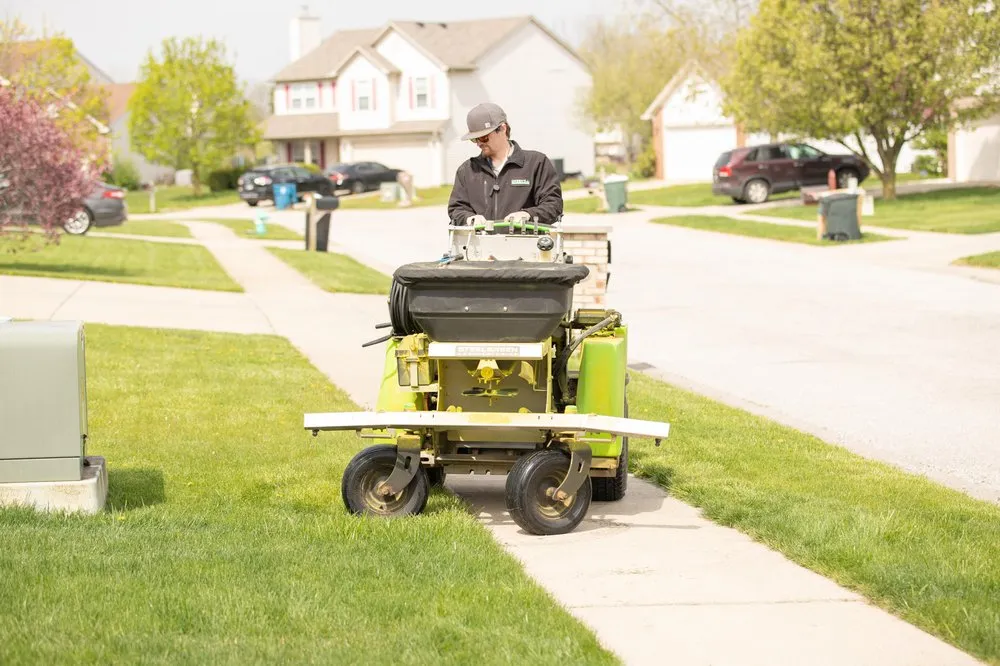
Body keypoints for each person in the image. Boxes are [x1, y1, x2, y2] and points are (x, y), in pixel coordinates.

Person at [447, 102, 563, 227]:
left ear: (503, 129)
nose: (479, 143)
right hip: (480, 245)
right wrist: (469, 218)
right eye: (474, 139)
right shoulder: (467, 170)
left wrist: (528, 215)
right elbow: (456, 209)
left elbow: (553, 205)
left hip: (524, 244)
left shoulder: (536, 163)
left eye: (484, 137)